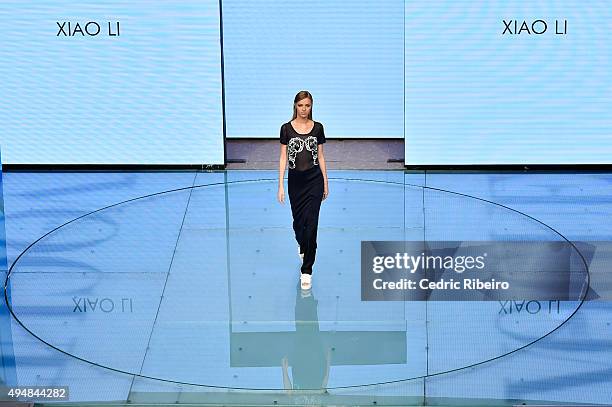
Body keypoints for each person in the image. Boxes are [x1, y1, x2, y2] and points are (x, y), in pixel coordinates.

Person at [278, 90, 329, 290]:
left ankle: (307, 269)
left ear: (311, 106)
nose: (304, 109)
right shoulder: (286, 129)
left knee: (312, 224)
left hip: (314, 180)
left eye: (307, 105)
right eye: (300, 106)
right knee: (299, 225)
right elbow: (283, 157)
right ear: (295, 106)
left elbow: (321, 156)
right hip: (295, 182)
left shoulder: (318, 128)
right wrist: (280, 184)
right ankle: (302, 243)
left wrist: (326, 182)